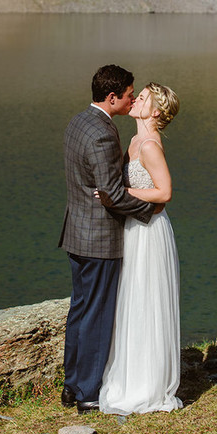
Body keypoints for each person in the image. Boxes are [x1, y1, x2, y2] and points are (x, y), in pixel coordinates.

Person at [58, 64, 155, 414]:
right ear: (112, 97)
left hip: (76, 233)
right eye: (129, 95)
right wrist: (150, 210)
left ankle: (72, 385)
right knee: (98, 315)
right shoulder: (103, 133)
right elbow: (111, 192)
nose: (131, 100)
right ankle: (87, 393)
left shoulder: (78, 121)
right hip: (99, 238)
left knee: (81, 310)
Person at [98, 82, 182, 415]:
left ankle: (147, 384)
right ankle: (129, 374)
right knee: (130, 300)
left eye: (142, 98)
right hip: (132, 229)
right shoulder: (133, 140)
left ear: (156, 112)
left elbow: (164, 193)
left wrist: (122, 197)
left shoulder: (149, 145)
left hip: (148, 232)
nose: (135, 100)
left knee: (146, 298)